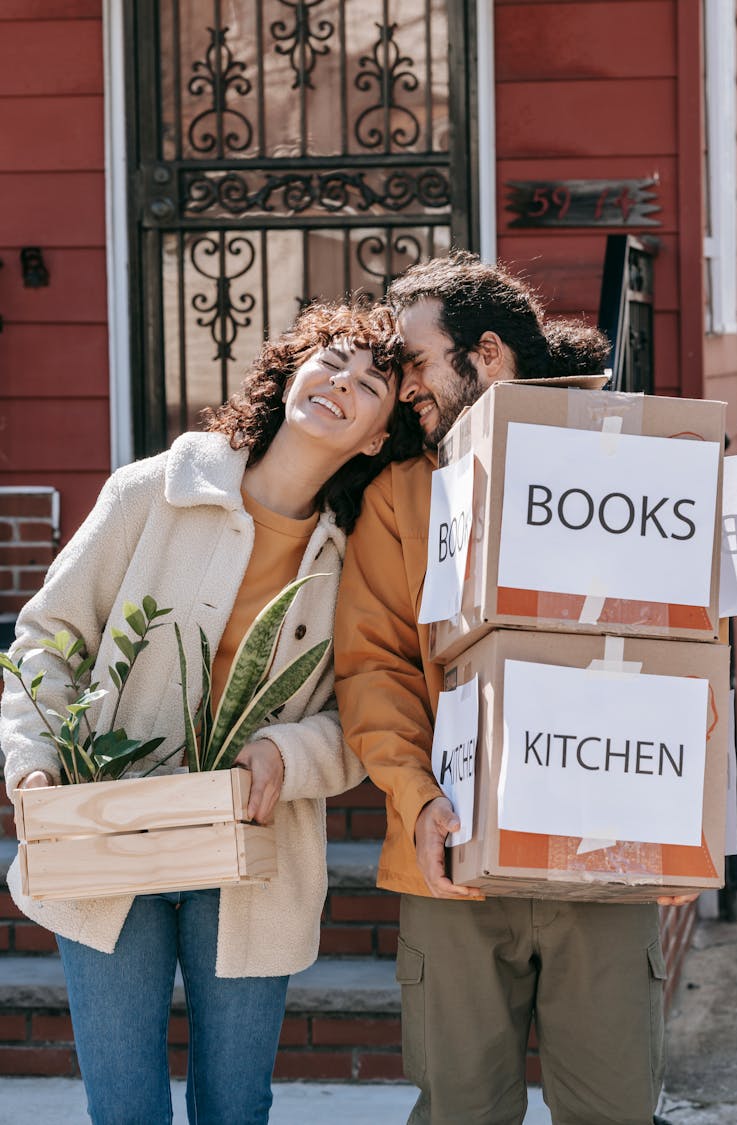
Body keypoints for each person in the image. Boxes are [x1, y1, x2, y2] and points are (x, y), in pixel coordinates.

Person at [1, 300, 420, 1125]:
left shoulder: (357, 555)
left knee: (235, 1107)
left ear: (376, 437)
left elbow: (363, 709)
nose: (342, 383)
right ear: (293, 367)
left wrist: (284, 753)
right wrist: (32, 758)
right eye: (331, 359)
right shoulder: (154, 491)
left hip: (248, 851)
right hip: (106, 830)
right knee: (125, 1109)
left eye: (371, 385)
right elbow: (48, 635)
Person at [334, 252, 695, 1125]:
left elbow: (686, 643)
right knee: (461, 1111)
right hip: (450, 862)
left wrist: (685, 816)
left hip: (604, 858)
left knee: (613, 1110)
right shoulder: (401, 499)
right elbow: (373, 667)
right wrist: (416, 796)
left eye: (416, 362)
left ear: (486, 354)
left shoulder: (627, 461)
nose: (404, 384)